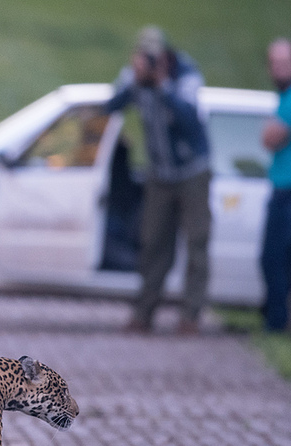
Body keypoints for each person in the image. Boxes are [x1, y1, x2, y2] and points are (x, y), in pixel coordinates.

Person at [105, 26, 211, 334]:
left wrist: (163, 85)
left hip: (192, 172)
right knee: (152, 244)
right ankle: (144, 312)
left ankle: (190, 316)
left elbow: (191, 120)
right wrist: (134, 84)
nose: (149, 61)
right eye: (144, 54)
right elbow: (111, 105)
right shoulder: (134, 76)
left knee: (196, 244)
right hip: (159, 175)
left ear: (166, 54)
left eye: (154, 55)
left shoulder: (186, 75)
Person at [260, 38, 291, 333]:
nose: (277, 71)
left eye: (283, 64)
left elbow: (269, 138)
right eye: (273, 64)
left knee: (276, 259)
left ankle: (278, 322)